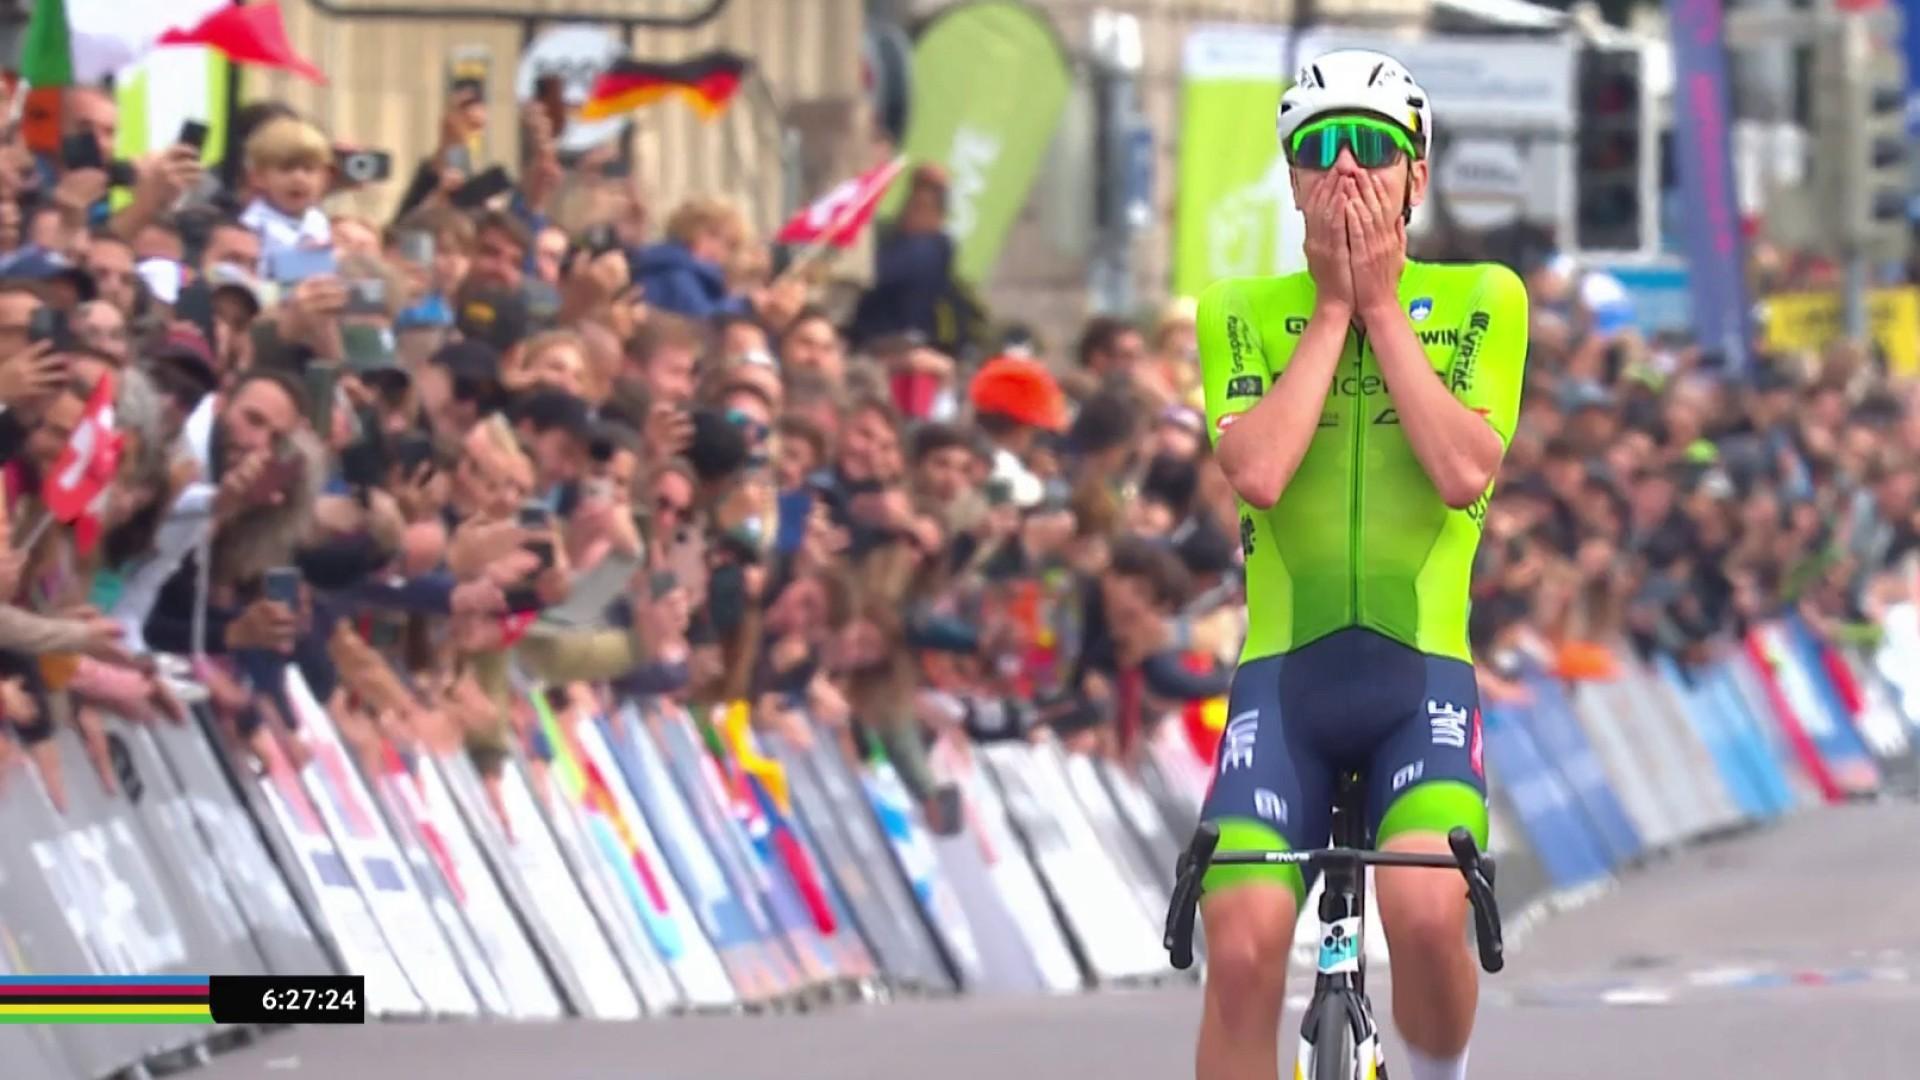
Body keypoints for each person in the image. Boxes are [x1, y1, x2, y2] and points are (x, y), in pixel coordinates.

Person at [1191, 49, 1527, 1080]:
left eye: (1374, 147)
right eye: (1319, 147)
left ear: (1416, 174)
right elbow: (1258, 469)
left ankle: (1437, 1073)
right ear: (1290, 175)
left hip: (1414, 671)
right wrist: (1334, 310)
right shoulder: (1238, 310)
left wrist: (1384, 308)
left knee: (1428, 914)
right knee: (1242, 944)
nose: (1347, 171)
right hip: (1286, 677)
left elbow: (1466, 467)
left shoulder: (1482, 296)